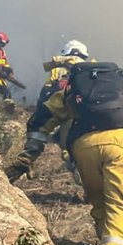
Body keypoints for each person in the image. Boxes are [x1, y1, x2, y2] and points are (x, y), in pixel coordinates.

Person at [9, 60, 123, 245]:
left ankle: (106, 244)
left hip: (84, 147)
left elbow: (43, 118)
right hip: (120, 143)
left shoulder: (70, 91)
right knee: (118, 201)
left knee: (99, 199)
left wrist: (30, 153)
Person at [39, 40, 90, 183]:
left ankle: (75, 167)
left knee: (66, 146)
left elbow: (46, 93)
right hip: (90, 113)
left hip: (67, 113)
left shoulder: (57, 70)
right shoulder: (91, 67)